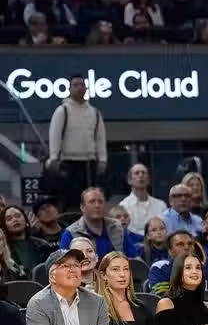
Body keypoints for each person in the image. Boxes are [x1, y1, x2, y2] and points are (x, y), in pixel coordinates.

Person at [46, 74, 107, 211]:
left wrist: (102, 159)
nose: (80, 88)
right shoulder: (63, 110)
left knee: (90, 199)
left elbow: (100, 137)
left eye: (82, 85)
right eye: (76, 85)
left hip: (89, 163)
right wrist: (54, 157)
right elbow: (55, 135)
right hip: (68, 162)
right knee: (69, 201)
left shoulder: (94, 112)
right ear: (69, 89)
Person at [60, 187, 138, 257]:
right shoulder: (70, 234)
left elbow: (134, 258)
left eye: (100, 202)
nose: (97, 205)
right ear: (82, 207)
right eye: (92, 202)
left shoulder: (117, 228)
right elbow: (64, 265)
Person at [0, 206, 56, 277]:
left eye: (18, 216)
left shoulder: (42, 245)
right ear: (4, 225)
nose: (15, 220)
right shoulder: (3, 250)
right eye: (9, 219)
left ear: (26, 220)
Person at [119, 163, 167, 235]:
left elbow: (165, 229)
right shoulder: (123, 206)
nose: (141, 175)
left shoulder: (161, 205)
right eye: (137, 173)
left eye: (143, 173)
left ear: (149, 180)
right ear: (129, 180)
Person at [148, 231, 195, 296]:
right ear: (170, 251)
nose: (187, 247)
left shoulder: (201, 267)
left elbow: (207, 295)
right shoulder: (160, 267)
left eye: (190, 244)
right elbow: (161, 296)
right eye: (180, 244)